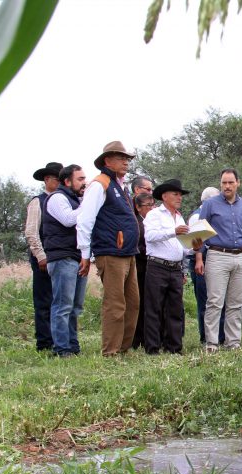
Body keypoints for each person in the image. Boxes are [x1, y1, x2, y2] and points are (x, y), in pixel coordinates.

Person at [77, 141, 140, 356]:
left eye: (127, 159)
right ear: (107, 161)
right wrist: (86, 254)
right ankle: (110, 352)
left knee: (133, 303)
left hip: (128, 253)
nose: (126, 162)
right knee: (115, 304)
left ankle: (123, 348)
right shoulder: (99, 184)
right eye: (121, 158)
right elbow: (85, 221)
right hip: (111, 252)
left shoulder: (119, 186)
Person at [195, 168, 242, 352]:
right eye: (224, 182)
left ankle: (233, 342)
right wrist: (199, 257)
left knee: (236, 302)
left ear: (238, 183)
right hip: (216, 255)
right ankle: (212, 343)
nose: (227, 186)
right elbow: (199, 232)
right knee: (215, 301)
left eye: (231, 182)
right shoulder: (210, 204)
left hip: (241, 256)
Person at [143, 179, 200, 355]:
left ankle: (174, 347)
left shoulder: (179, 217)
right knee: (154, 308)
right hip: (157, 266)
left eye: (180, 195)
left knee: (175, 309)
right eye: (175, 194)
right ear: (164, 196)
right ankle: (152, 348)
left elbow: (181, 247)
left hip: (175, 268)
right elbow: (150, 236)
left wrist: (193, 248)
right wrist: (173, 232)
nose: (179, 197)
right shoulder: (154, 215)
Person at [42, 165, 87, 357]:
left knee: (75, 307)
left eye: (85, 178)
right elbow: (68, 220)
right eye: (80, 179)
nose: (84, 182)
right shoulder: (57, 198)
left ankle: (72, 346)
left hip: (76, 257)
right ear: (67, 181)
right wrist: (89, 204)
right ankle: (61, 348)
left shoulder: (76, 200)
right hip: (62, 257)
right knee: (62, 306)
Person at [25, 162, 62, 351]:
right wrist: (40, 256)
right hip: (44, 257)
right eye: (57, 179)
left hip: (60, 256)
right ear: (47, 180)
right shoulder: (37, 201)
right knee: (43, 301)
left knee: (60, 300)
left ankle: (58, 339)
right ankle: (44, 342)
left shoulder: (65, 201)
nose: (60, 182)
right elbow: (31, 232)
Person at [187, 186, 225, 345]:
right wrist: (199, 260)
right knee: (205, 301)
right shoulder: (197, 217)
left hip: (216, 258)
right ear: (209, 200)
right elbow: (195, 242)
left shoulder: (213, 215)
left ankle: (220, 336)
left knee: (218, 299)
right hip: (201, 258)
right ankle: (206, 337)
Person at [132, 192, 155, 349]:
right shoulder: (136, 223)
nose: (151, 208)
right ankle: (137, 338)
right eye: (148, 206)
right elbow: (136, 246)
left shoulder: (153, 221)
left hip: (153, 268)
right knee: (139, 304)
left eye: (153, 205)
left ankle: (149, 337)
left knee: (151, 305)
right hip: (140, 268)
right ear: (138, 207)